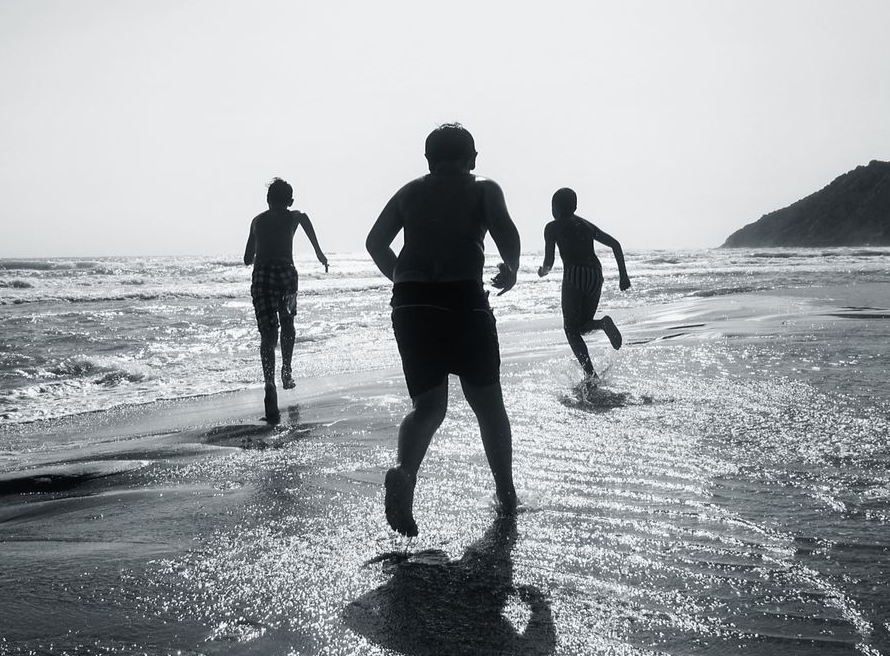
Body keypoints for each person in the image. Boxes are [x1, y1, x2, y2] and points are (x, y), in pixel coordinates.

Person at [366, 124, 521, 537]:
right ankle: (506, 494)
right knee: (487, 404)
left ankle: (405, 472)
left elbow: (375, 241)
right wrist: (512, 268)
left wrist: (401, 278)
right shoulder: (483, 187)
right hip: (462, 301)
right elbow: (505, 230)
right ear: (471, 158)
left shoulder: (409, 192)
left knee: (429, 406)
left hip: (412, 303)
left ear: (428, 159)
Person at [243, 177, 329, 423]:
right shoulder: (294, 216)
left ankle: (269, 382)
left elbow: (248, 258)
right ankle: (287, 370)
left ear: (268, 201)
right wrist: (319, 253)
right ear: (290, 201)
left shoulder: (257, 220)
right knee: (288, 323)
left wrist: (255, 252)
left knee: (268, 336)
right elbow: (305, 221)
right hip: (286, 274)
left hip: (262, 276)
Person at [538, 187, 630, 377]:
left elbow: (550, 262)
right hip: (595, 275)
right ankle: (603, 324)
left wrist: (543, 271)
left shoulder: (552, 227)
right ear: (575, 206)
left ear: (554, 207)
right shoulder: (587, 226)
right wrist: (623, 275)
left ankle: (590, 374)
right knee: (583, 325)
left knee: (570, 329)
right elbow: (615, 244)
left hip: (575, 274)